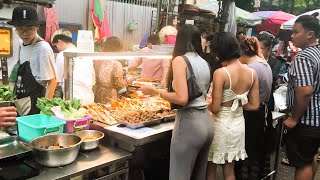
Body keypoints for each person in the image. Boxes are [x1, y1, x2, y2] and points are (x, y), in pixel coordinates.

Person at [141, 24, 213, 180]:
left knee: (179, 176)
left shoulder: (180, 60)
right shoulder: (204, 62)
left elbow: (182, 98)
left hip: (190, 124)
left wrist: (155, 91)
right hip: (206, 123)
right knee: (197, 176)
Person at [206, 32, 260, 180]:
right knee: (229, 170)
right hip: (238, 124)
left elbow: (216, 108)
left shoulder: (221, 73)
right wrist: (236, 107)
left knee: (211, 166)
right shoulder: (252, 72)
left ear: (221, 51)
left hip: (220, 124)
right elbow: (255, 105)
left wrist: (207, 103)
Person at [284, 15, 320, 180]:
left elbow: (305, 91)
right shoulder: (318, 53)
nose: (292, 36)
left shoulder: (304, 57)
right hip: (316, 119)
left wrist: (294, 118)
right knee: (309, 157)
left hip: (306, 121)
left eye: (295, 32)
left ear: (310, 34)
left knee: (302, 163)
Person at [235, 35, 273, 180]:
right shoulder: (263, 63)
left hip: (252, 117)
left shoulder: (250, 69)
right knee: (257, 156)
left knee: (247, 157)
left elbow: (243, 96)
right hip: (262, 113)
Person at [7, 5, 57, 115]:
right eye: (20, 29)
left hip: (36, 107)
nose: (25, 33)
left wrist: (44, 110)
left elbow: (52, 82)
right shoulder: (21, 44)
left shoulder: (43, 48)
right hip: (20, 103)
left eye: (30, 29)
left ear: (37, 27)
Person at [51, 29, 95, 105]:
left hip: (73, 100)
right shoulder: (84, 53)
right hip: (89, 97)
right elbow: (93, 77)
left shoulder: (62, 55)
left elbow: (57, 79)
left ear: (59, 42)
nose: (57, 49)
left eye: (56, 46)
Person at [93, 36, 133, 103]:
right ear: (118, 49)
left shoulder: (99, 61)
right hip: (109, 96)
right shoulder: (116, 64)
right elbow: (119, 85)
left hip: (98, 93)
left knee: (98, 110)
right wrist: (128, 80)